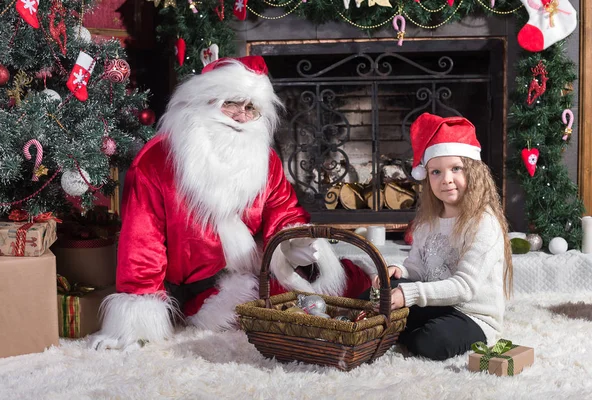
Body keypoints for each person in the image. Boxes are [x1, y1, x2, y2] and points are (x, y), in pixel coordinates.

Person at [90, 56, 371, 350]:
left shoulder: (266, 160)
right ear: (205, 100)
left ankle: (375, 276)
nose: (240, 116)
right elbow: (142, 243)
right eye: (231, 103)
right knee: (280, 307)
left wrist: (294, 241)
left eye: (251, 108)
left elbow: (283, 209)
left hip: (255, 267)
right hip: (200, 289)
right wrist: (137, 320)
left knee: (333, 283)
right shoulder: (157, 160)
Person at [368, 112, 513, 361]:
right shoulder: (428, 220)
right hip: (436, 304)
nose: (446, 180)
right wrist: (399, 272)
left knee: (432, 341)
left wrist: (408, 295)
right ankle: (393, 327)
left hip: (472, 314)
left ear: (473, 172)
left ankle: (396, 332)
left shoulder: (483, 223)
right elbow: (417, 267)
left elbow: (465, 288)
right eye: (435, 172)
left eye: (456, 169)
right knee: (374, 296)